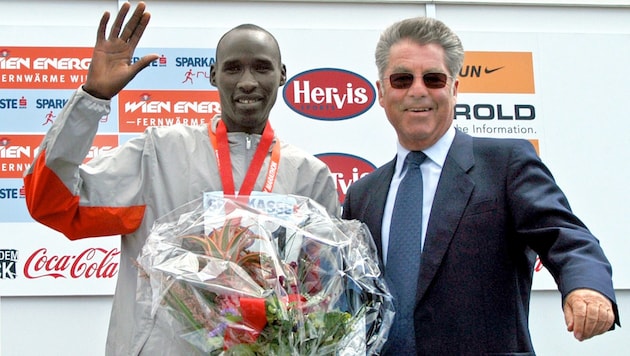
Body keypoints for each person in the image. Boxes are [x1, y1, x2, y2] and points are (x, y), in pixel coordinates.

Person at [23, 2, 339, 355]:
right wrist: (92, 97)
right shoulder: (159, 154)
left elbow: (323, 298)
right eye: (233, 68)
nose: (248, 82)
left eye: (261, 68)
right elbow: (52, 203)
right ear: (212, 74)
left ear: (281, 74)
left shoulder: (310, 177)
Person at [342, 16, 619, 355]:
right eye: (402, 79)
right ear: (382, 93)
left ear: (454, 89)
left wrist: (587, 287)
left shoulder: (505, 164)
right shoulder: (363, 195)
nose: (417, 90)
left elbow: (567, 237)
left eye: (434, 78)